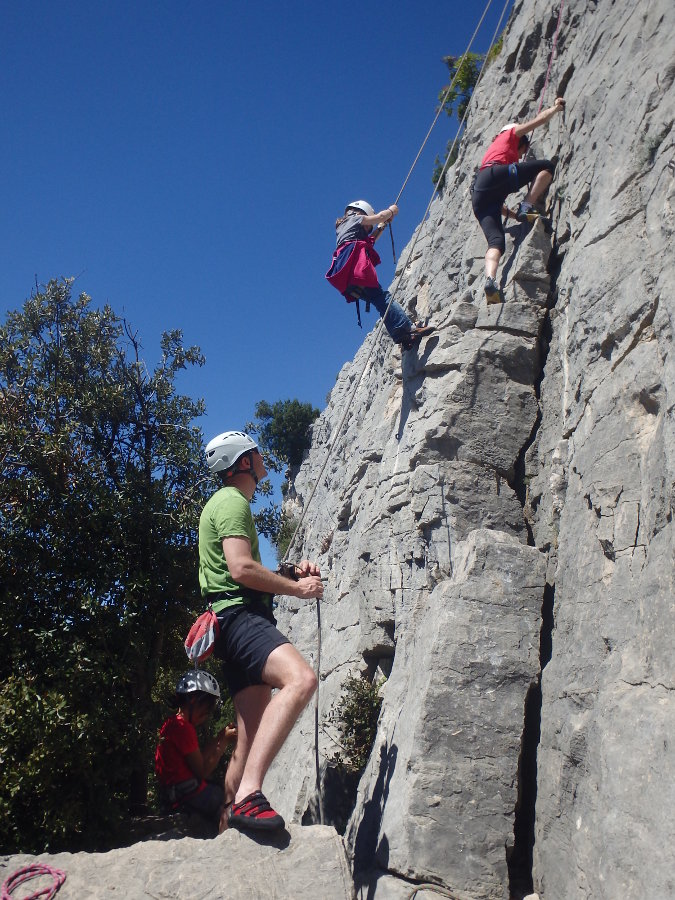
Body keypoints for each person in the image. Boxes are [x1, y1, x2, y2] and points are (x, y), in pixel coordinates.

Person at [199, 430, 324, 832]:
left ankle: (226, 833)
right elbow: (241, 570)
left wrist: (286, 572)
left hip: (228, 625)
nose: (261, 455)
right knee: (301, 680)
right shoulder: (233, 501)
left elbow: (240, 571)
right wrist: (297, 588)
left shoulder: (221, 503)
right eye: (255, 451)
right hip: (242, 619)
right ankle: (252, 793)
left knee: (247, 739)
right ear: (243, 462)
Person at [471, 98, 566, 303]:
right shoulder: (509, 135)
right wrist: (556, 108)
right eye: (523, 149)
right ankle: (527, 204)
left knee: (496, 242)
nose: (522, 154)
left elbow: (496, 203)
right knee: (546, 166)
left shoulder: (494, 150)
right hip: (493, 175)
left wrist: (514, 215)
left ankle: (490, 280)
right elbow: (539, 120)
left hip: (480, 197)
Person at [325, 200, 435, 349]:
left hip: (347, 280)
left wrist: (381, 227)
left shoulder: (346, 229)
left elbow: (370, 240)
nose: (369, 228)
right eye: (368, 227)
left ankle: (402, 336)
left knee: (378, 299)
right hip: (354, 270)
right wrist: (391, 211)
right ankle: (406, 328)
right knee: (383, 298)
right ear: (361, 212)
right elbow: (379, 217)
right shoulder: (355, 218)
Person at [155, 670, 237, 834]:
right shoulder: (183, 728)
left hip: (173, 793)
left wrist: (220, 735)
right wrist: (224, 742)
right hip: (187, 795)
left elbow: (198, 757)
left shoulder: (172, 723)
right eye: (207, 708)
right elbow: (203, 771)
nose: (207, 715)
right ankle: (225, 838)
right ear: (193, 700)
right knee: (229, 800)